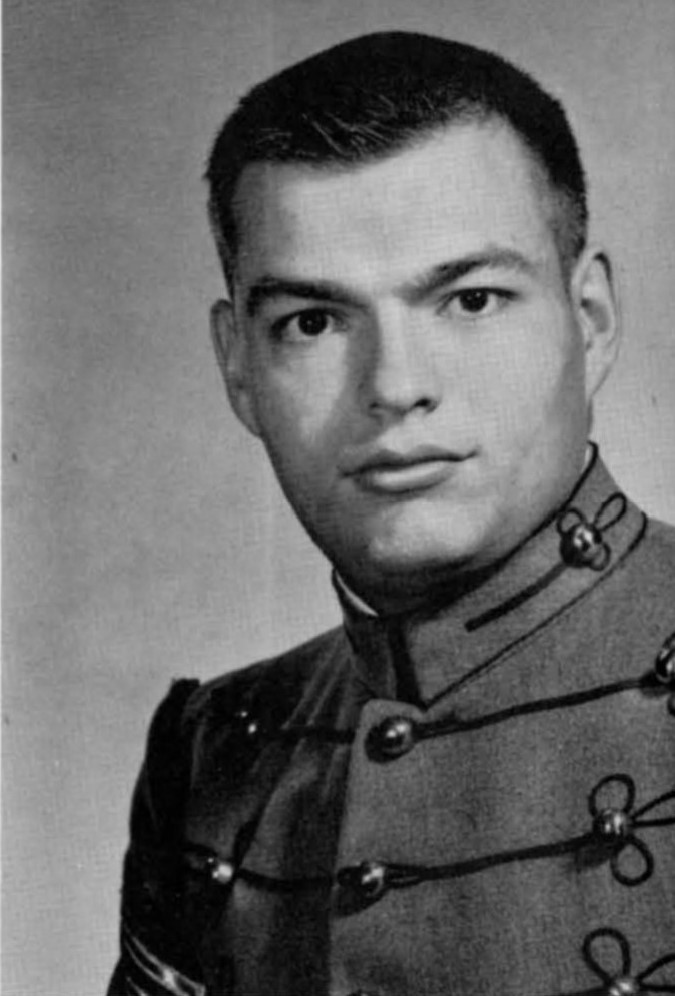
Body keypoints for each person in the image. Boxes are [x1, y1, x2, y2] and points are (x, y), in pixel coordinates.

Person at [108, 31, 675, 996]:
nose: (395, 386)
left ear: (590, 322)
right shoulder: (214, 751)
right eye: (313, 323)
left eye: (471, 300)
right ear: (238, 367)